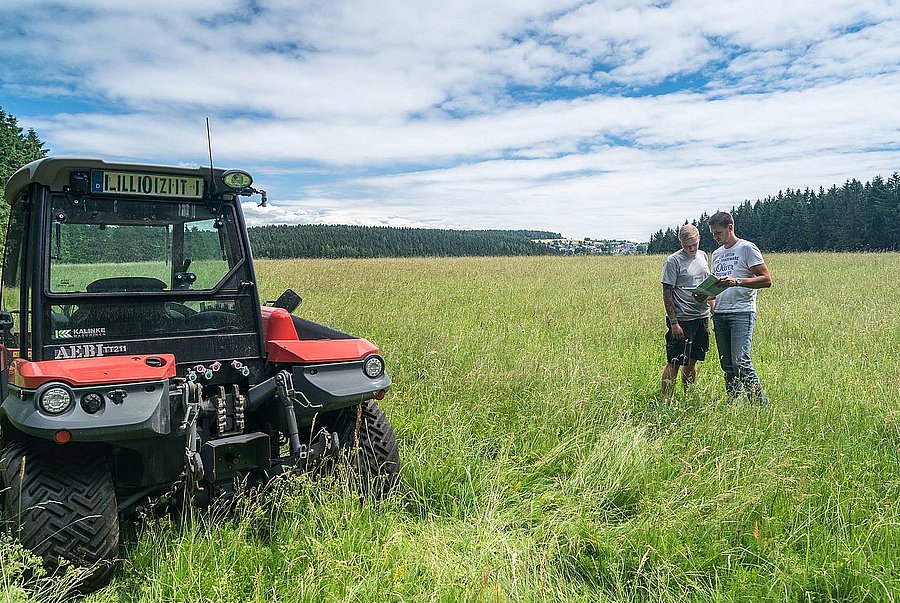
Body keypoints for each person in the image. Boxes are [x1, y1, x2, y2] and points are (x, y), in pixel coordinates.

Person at [706, 211, 772, 405]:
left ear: (730, 227)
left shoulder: (746, 248)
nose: (716, 237)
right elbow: (716, 287)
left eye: (718, 233)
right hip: (720, 313)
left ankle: (760, 407)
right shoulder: (717, 254)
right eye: (713, 234)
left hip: (742, 312)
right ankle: (735, 406)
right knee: (727, 366)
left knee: (741, 362)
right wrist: (705, 296)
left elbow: (766, 280)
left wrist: (737, 282)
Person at [660, 224, 714, 398]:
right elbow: (667, 292)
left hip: (702, 316)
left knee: (692, 360)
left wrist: (713, 308)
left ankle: (688, 397)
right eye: (686, 246)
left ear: (699, 238)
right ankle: (666, 400)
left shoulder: (703, 256)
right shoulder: (673, 261)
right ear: (680, 243)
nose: (691, 249)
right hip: (682, 319)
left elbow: (709, 285)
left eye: (693, 244)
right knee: (675, 360)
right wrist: (674, 322)